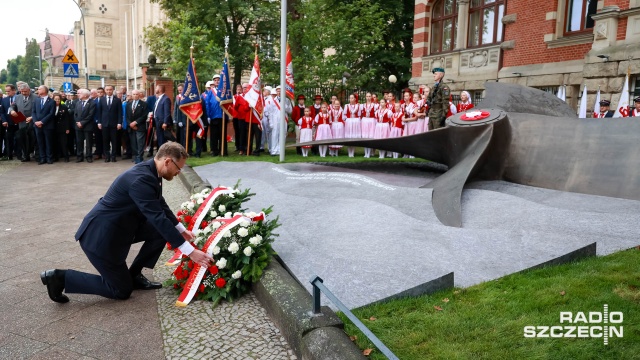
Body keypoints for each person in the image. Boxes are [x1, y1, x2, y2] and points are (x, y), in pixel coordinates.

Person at [40, 142, 213, 303]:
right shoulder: (141, 179)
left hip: (119, 230)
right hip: (100, 238)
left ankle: (134, 275)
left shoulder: (152, 171)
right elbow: (157, 218)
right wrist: (190, 252)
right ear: (167, 161)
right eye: (178, 168)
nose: (179, 173)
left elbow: (160, 203)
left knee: (158, 232)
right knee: (121, 290)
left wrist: (180, 229)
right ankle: (60, 277)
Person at [98, 85, 123, 163]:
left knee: (114, 141)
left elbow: (120, 112)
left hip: (114, 124)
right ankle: (107, 156)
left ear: (113, 90)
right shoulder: (101, 100)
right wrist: (99, 122)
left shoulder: (117, 100)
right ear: (105, 90)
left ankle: (113, 156)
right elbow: (99, 112)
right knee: (105, 141)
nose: (109, 91)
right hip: (104, 123)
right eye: (107, 90)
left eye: (110, 90)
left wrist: (119, 123)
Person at [32, 85, 56, 165]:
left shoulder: (52, 101)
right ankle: (42, 158)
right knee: (40, 142)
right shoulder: (36, 100)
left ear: (45, 91)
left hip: (47, 125)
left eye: (39, 89)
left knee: (48, 142)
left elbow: (51, 114)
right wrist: (36, 121)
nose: (38, 90)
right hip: (37, 126)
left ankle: (49, 158)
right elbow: (33, 112)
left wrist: (42, 122)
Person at [14, 83, 37, 162]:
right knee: (22, 139)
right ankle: (25, 155)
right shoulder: (17, 97)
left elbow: (39, 110)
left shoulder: (36, 97)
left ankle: (34, 153)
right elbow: (13, 106)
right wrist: (11, 111)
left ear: (29, 90)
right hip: (22, 122)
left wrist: (32, 117)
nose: (23, 93)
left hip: (33, 122)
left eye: (25, 91)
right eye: (21, 91)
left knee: (33, 139)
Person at [206, 75, 227, 156]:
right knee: (214, 135)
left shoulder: (223, 91)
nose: (217, 81)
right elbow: (207, 103)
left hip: (222, 116)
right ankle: (214, 151)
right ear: (213, 82)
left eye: (218, 80)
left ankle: (223, 151)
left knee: (222, 134)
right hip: (213, 116)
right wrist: (208, 115)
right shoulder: (211, 92)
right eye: (215, 80)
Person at [74, 89, 97, 163]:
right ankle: (79, 156)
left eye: (79, 93)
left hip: (88, 125)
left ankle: (88, 156)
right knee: (79, 142)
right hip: (78, 126)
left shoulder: (92, 103)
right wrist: (78, 122)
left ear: (85, 95)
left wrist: (82, 123)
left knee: (88, 142)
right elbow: (75, 114)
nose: (78, 95)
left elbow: (91, 115)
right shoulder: (78, 103)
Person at [127, 90, 148, 164]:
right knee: (133, 143)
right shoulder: (128, 104)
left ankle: (140, 157)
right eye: (134, 94)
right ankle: (136, 156)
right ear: (131, 95)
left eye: (136, 94)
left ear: (139, 95)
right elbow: (127, 116)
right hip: (131, 127)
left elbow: (144, 116)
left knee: (140, 142)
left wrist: (136, 123)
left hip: (140, 126)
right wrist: (130, 124)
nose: (135, 95)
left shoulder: (144, 104)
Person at [1, 85, 19, 160]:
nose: (7, 93)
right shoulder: (4, 100)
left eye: (9, 91)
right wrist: (4, 120)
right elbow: (2, 112)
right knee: (9, 139)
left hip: (18, 122)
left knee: (19, 139)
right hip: (8, 123)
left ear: (14, 90)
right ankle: (9, 155)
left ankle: (19, 154)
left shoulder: (19, 98)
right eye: (6, 91)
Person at [53, 94, 71, 162]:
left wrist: (67, 128)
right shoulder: (52, 107)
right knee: (55, 143)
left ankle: (66, 157)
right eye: (55, 99)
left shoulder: (64, 107)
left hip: (62, 127)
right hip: (54, 127)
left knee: (64, 143)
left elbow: (67, 118)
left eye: (58, 99)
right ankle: (56, 156)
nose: (57, 100)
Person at [343, 93, 362, 157]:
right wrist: (346, 120)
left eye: (352, 98)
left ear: (355, 99)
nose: (351, 99)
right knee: (349, 136)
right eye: (350, 98)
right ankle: (349, 152)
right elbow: (344, 114)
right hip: (349, 121)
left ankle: (352, 152)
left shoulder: (358, 106)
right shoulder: (347, 106)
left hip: (355, 121)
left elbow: (359, 114)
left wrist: (357, 120)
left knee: (353, 136)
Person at [360, 92, 377, 158]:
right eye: (367, 96)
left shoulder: (374, 105)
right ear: (365, 97)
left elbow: (376, 114)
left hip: (371, 120)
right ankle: (365, 153)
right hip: (365, 120)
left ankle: (369, 153)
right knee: (365, 136)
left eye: (369, 96)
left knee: (370, 136)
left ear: (371, 97)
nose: (368, 98)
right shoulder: (363, 105)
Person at [174, 84, 187, 149]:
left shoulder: (186, 97)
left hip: (185, 119)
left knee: (184, 136)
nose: (179, 91)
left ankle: (185, 148)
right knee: (179, 135)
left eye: (181, 90)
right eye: (178, 90)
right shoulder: (177, 97)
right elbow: (176, 109)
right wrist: (175, 119)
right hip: (179, 120)